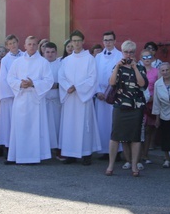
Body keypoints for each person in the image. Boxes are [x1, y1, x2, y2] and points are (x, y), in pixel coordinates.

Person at [5, 36, 54, 164]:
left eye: (34, 44)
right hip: (21, 99)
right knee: (19, 127)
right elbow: (10, 78)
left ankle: (35, 156)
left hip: (36, 100)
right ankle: (17, 156)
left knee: (35, 128)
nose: (31, 46)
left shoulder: (43, 62)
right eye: (29, 44)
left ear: (37, 46)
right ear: (24, 46)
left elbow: (49, 80)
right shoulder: (17, 62)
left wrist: (33, 84)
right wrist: (20, 84)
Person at [58, 30, 102, 164]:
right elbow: (61, 76)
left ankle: (86, 154)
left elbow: (92, 78)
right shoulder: (66, 60)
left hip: (83, 98)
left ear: (83, 42)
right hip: (70, 97)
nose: (76, 43)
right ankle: (70, 154)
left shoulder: (89, 59)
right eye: (74, 41)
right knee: (70, 125)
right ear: (70, 42)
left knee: (84, 125)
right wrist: (67, 87)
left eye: (78, 41)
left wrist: (77, 87)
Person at [106, 40, 148, 177]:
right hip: (120, 105)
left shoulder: (140, 68)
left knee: (135, 137)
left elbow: (142, 84)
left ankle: (134, 166)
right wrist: (118, 67)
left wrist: (135, 68)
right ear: (122, 52)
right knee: (115, 136)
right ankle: (111, 165)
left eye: (131, 52)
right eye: (126, 52)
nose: (128, 55)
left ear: (134, 53)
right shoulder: (117, 66)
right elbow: (112, 83)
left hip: (136, 106)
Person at [94, 31, 124, 158]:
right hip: (101, 95)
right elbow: (93, 76)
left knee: (115, 123)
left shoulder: (120, 56)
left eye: (110, 40)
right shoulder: (98, 57)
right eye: (105, 40)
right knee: (102, 123)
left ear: (115, 41)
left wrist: (114, 91)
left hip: (114, 95)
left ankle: (117, 151)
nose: (108, 42)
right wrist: (98, 91)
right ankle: (104, 150)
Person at [0, 34, 22, 155]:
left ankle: (21, 146)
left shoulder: (25, 56)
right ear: (7, 46)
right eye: (10, 44)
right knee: (8, 122)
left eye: (14, 42)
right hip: (10, 96)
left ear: (18, 42)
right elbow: (4, 79)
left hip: (23, 95)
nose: (13, 45)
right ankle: (8, 147)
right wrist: (14, 91)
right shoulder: (5, 60)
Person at [139, 48, 159, 163]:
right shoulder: (138, 70)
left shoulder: (157, 71)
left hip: (151, 103)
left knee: (148, 131)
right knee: (138, 130)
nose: (147, 59)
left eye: (149, 57)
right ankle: (137, 154)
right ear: (141, 59)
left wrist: (152, 98)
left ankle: (145, 154)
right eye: (144, 57)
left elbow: (159, 87)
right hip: (140, 103)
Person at [43, 42, 62, 157]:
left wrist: (57, 85)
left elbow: (65, 79)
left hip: (57, 100)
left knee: (57, 125)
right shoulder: (40, 64)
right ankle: (45, 149)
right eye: (47, 52)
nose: (50, 54)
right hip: (44, 100)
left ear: (56, 52)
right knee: (45, 126)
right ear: (43, 53)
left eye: (52, 52)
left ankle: (58, 148)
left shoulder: (61, 65)